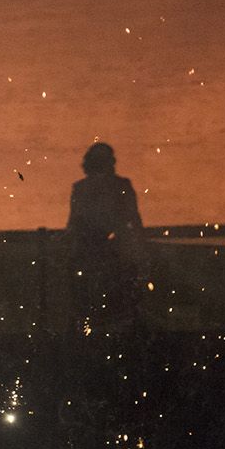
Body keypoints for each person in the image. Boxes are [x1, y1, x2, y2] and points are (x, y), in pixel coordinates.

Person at [66, 142, 144, 332]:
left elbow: (74, 223)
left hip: (93, 253)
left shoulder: (81, 188)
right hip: (114, 253)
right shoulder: (121, 186)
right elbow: (134, 219)